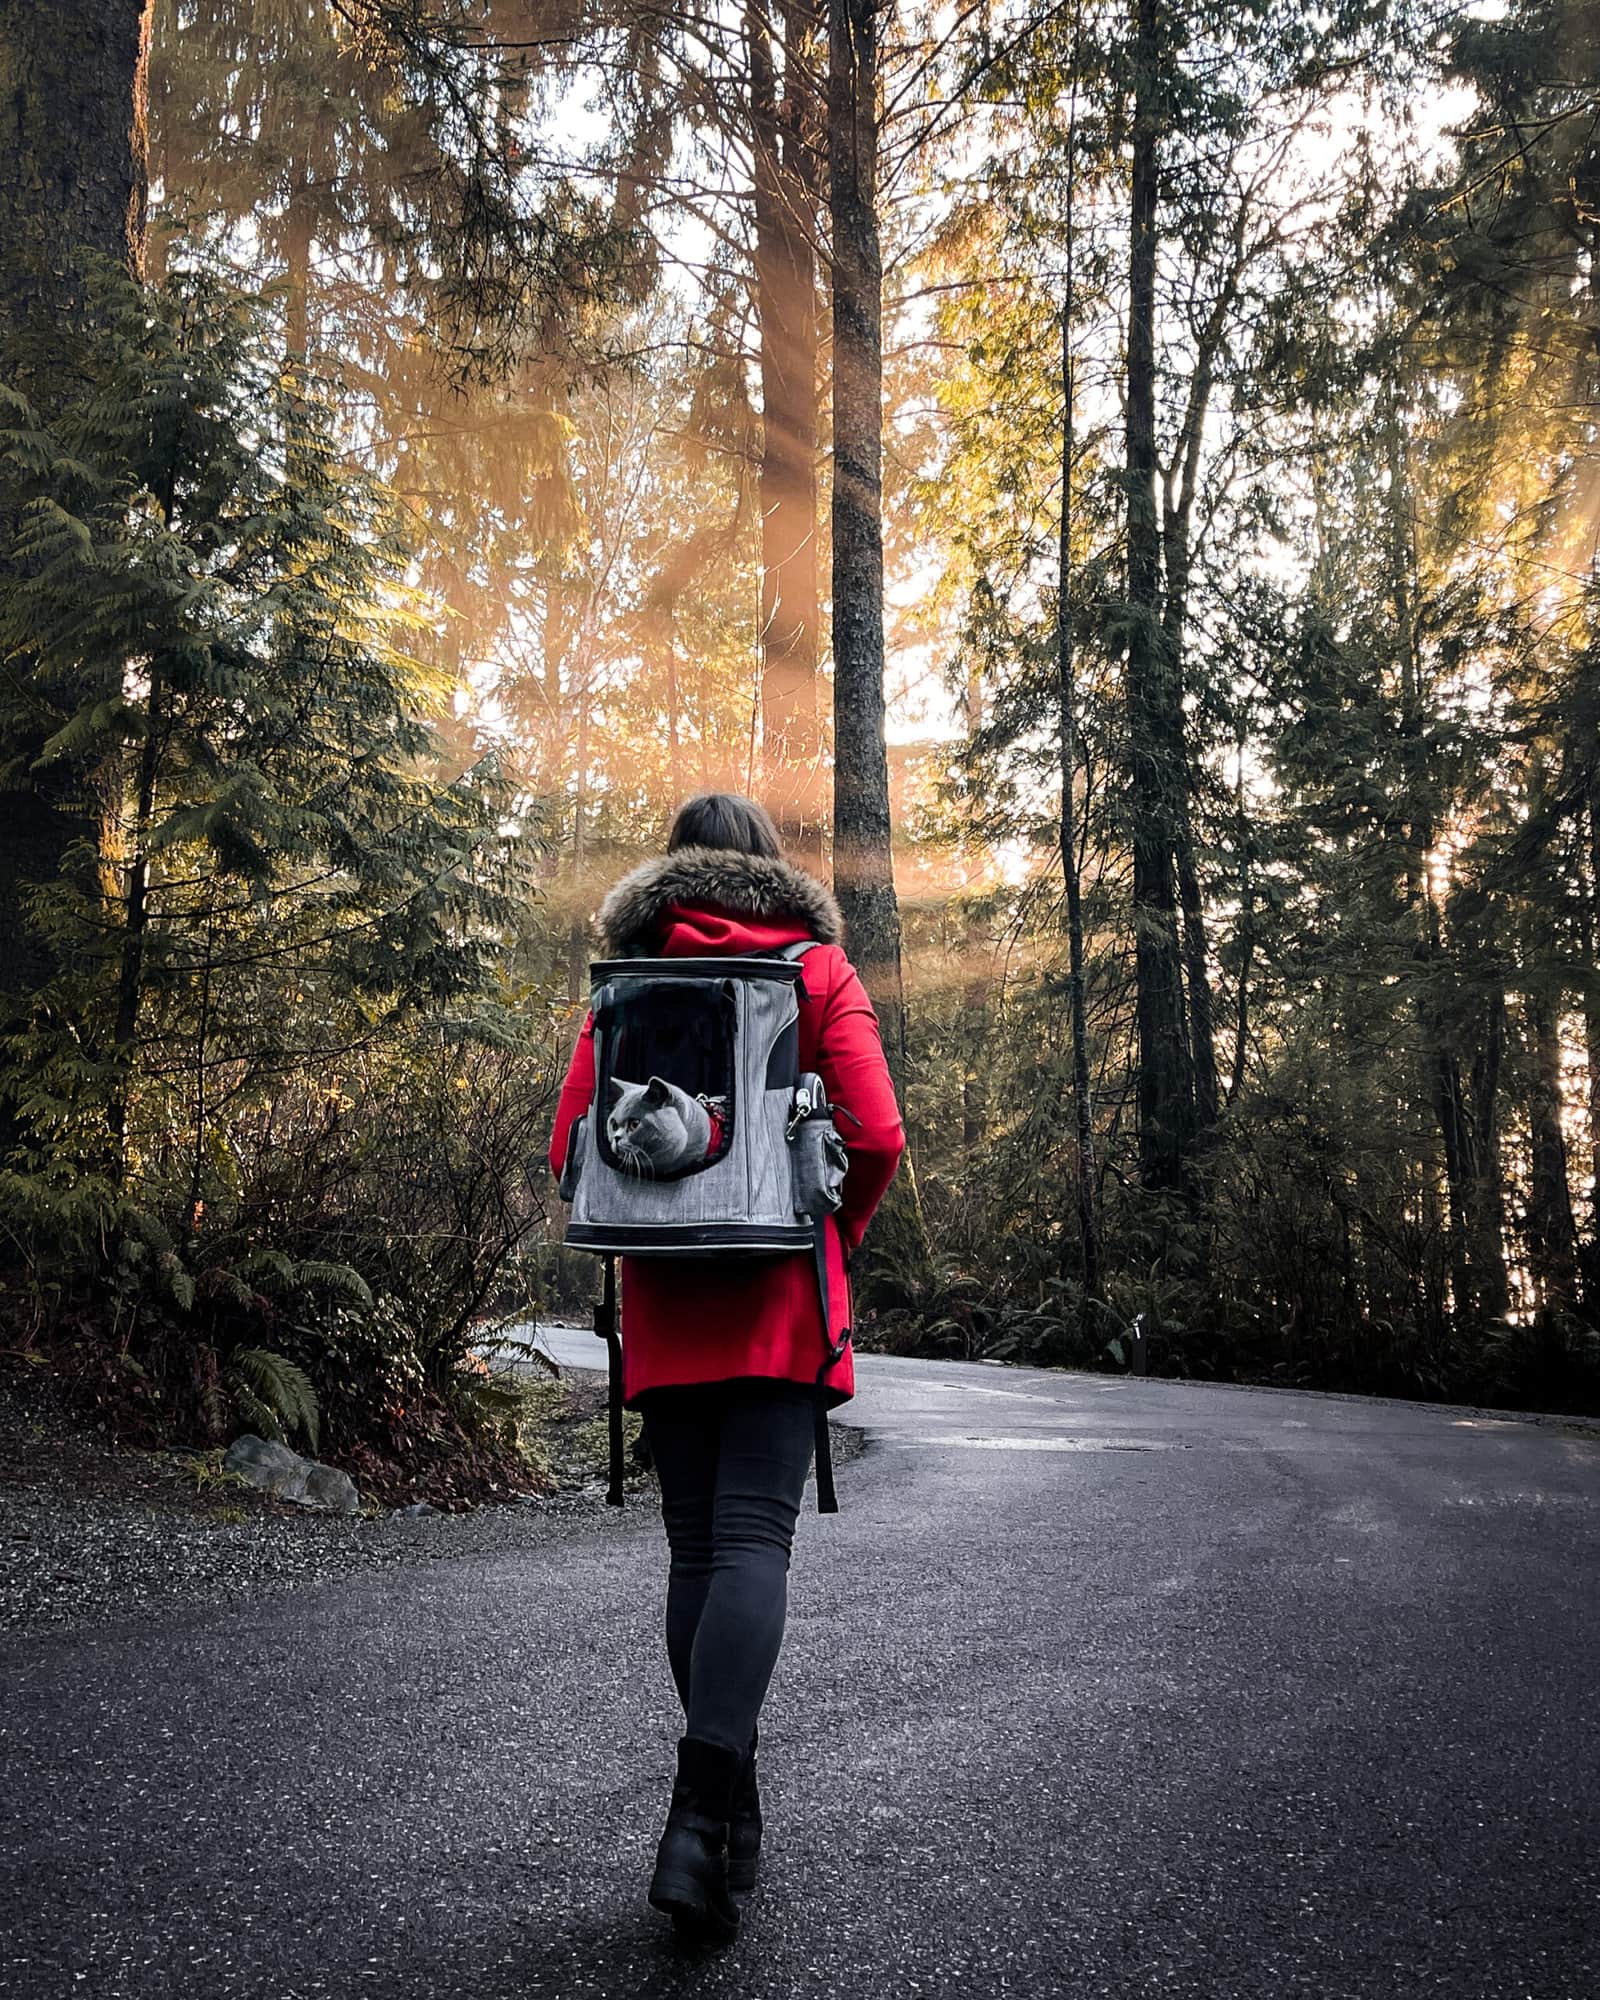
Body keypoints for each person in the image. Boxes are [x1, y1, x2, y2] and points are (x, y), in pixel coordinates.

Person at [546, 792, 905, 1943]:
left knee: (696, 1549)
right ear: (766, 867)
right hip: (775, 1298)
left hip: (662, 1298)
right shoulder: (813, 967)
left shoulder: (629, 978)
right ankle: (698, 1819)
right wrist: (828, 1233)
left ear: (670, 869)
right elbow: (880, 1132)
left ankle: (723, 1817)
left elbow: (570, 1154)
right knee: (754, 1541)